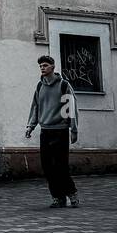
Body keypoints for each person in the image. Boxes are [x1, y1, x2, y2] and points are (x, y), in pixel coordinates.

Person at [24, 55, 80, 207]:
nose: (42, 68)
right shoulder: (39, 86)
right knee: (48, 167)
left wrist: (73, 130)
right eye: (41, 66)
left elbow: (70, 109)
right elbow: (35, 107)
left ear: (53, 67)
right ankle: (58, 197)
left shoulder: (63, 85)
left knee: (61, 166)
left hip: (60, 131)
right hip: (45, 131)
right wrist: (30, 126)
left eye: (45, 65)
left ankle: (72, 193)